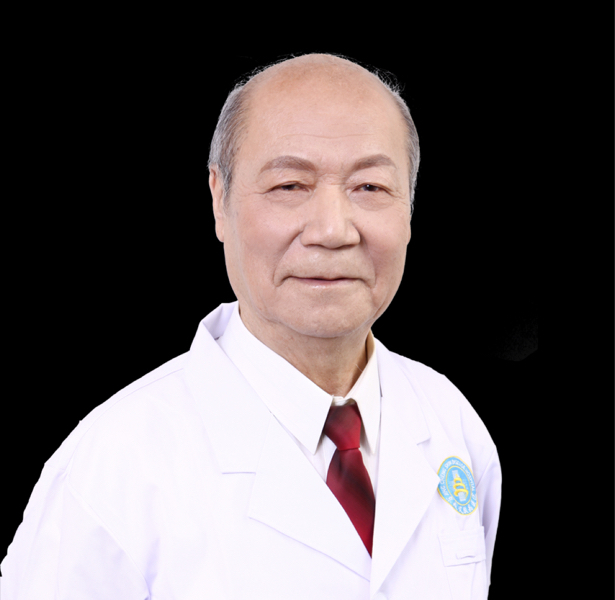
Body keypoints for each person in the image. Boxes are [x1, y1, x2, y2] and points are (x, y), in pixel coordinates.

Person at [1, 53, 501, 599]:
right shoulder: (112, 469)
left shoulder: (450, 422)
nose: (333, 230)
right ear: (219, 199)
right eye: (290, 185)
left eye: (370, 187)